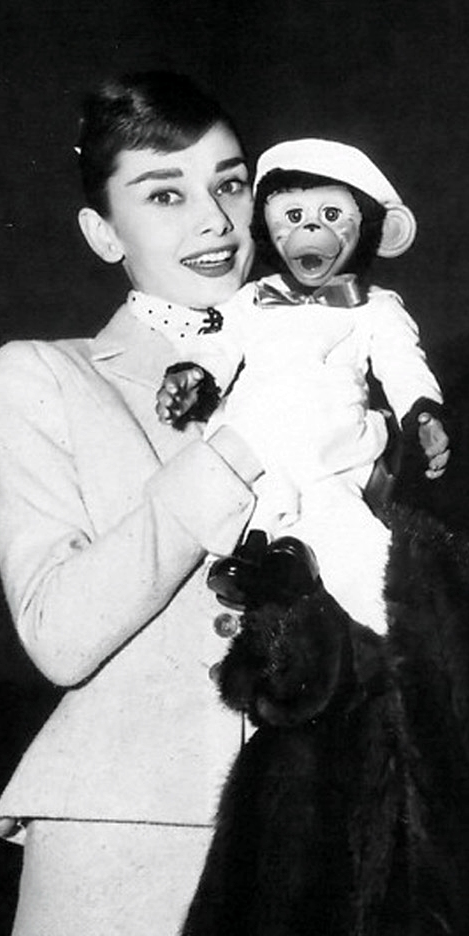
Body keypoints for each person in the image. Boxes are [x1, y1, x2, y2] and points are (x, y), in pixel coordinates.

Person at [0, 71, 358, 936]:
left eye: (230, 184)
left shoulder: (339, 370)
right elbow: (58, 632)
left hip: (317, 831)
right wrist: (240, 443)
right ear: (103, 233)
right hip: (127, 833)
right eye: (164, 195)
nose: (215, 222)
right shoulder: (46, 377)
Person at [156, 138, 450, 635]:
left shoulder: (374, 307)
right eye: (292, 216)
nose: (310, 228)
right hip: (254, 434)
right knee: (252, 496)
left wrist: (421, 412)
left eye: (331, 215)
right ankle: (258, 557)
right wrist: (194, 375)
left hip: (329, 438)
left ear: (367, 229)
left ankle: (393, 620)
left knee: (339, 521)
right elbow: (220, 345)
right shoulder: (253, 299)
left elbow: (403, 362)